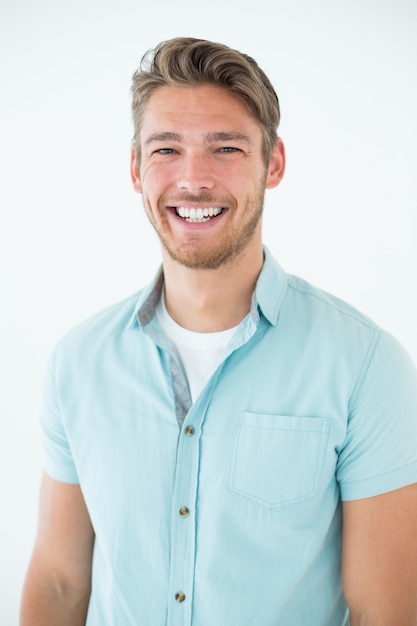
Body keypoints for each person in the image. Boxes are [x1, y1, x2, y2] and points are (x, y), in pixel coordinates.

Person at [20, 37, 417, 626]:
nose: (193, 178)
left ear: (273, 163)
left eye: (225, 147)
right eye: (166, 149)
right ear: (135, 169)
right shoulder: (77, 362)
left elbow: (386, 612)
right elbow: (58, 582)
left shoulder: (364, 363)